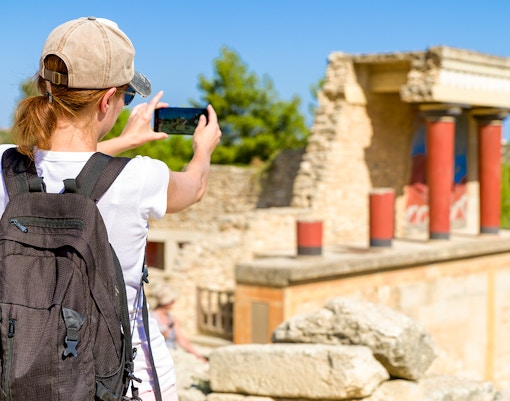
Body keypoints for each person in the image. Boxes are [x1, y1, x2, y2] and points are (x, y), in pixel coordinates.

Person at [2, 16, 221, 401]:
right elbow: (195, 187)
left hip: (20, 377)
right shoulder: (141, 178)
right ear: (107, 100)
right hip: (123, 384)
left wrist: (118, 142)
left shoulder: (5, 166)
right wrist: (203, 147)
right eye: (125, 96)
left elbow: (57, 165)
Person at [153, 289, 208, 363]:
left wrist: (198, 356)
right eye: (172, 301)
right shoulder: (151, 317)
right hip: (158, 355)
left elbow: (182, 340)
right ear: (166, 302)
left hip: (172, 353)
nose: (174, 303)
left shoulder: (171, 318)